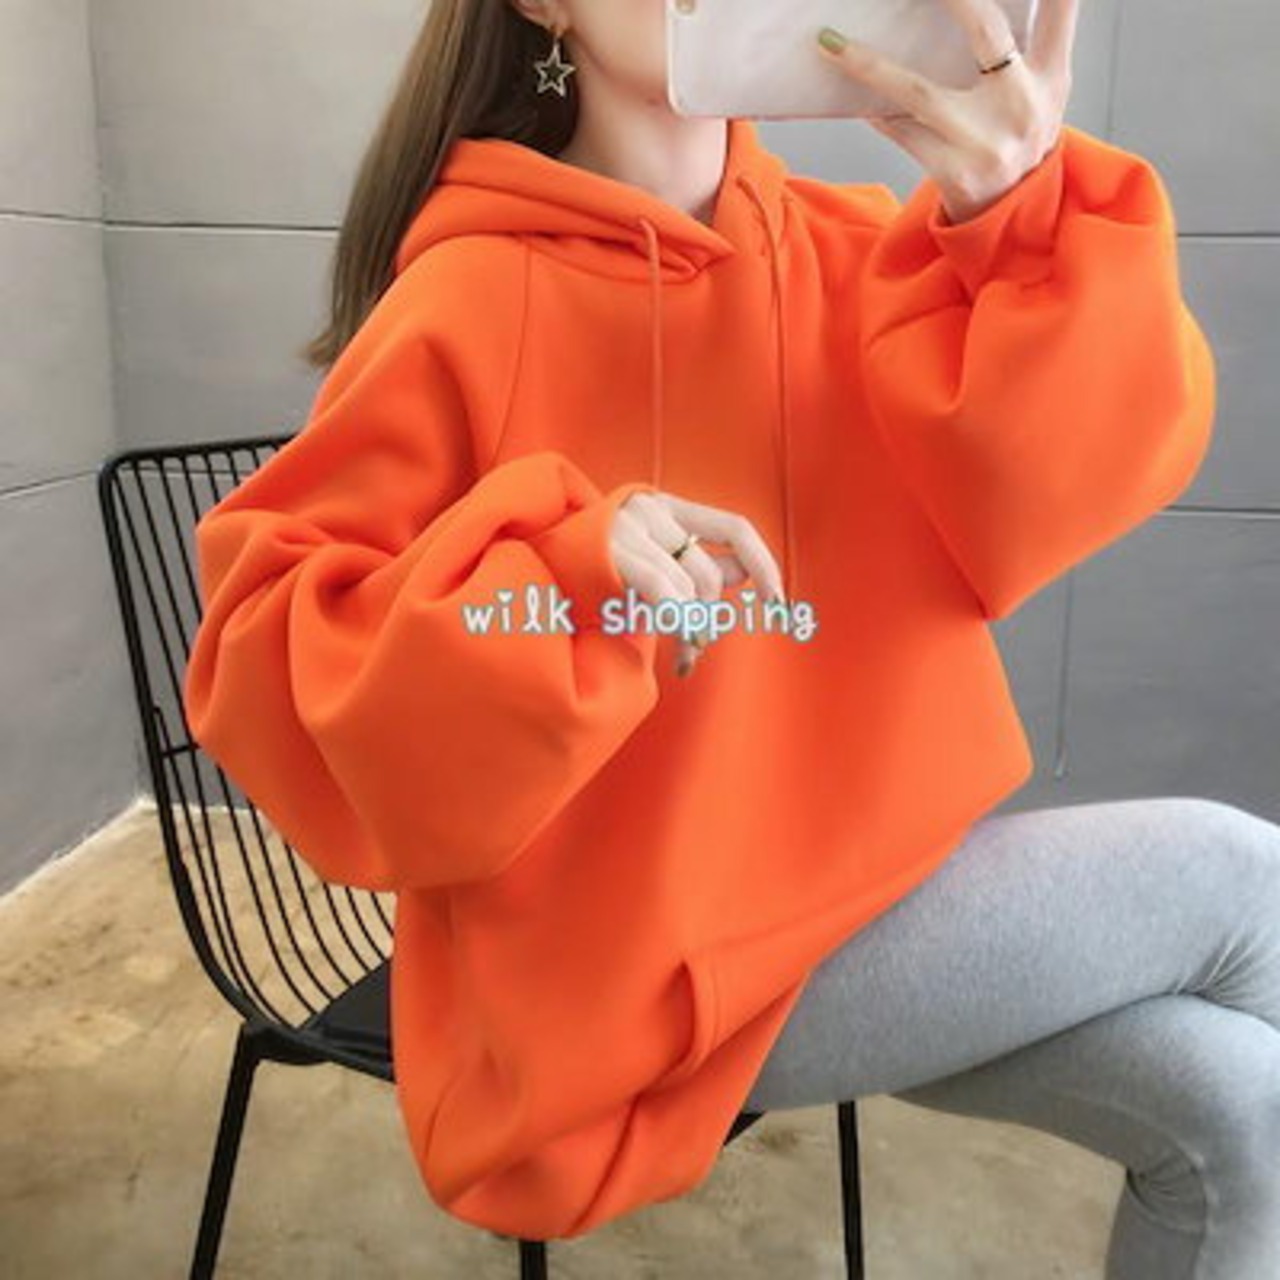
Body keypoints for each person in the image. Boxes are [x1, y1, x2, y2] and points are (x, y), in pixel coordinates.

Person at [180, 0, 1255, 1272]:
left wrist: (1021, 218)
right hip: (645, 964)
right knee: (1238, 876)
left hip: (868, 879)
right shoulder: (467, 298)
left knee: (1242, 1106)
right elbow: (269, 655)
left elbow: (1058, 486)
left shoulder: (862, 255)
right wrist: (566, 574)